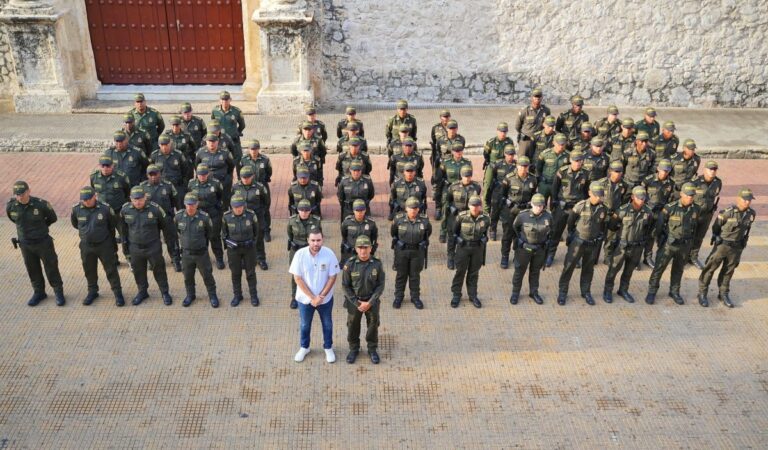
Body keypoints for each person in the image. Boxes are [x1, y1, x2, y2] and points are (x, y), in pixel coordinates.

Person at [7, 180, 65, 306]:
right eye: (17, 194)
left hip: (42, 242)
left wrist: (41, 228)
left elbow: (52, 218)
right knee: (32, 269)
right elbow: (13, 219)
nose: (20, 196)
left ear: (28, 191)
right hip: (26, 244)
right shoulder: (11, 206)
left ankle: (58, 291)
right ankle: (39, 292)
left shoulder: (41, 205)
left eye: (22, 193)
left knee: (51, 267)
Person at [698, 188, 756, 308]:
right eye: (745, 199)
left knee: (728, 271)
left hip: (736, 248)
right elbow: (716, 228)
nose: (747, 202)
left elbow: (746, 230)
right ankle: (702, 293)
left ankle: (723, 293)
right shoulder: (727, 212)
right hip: (722, 246)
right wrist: (717, 238)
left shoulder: (751, 214)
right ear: (738, 199)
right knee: (710, 269)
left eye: (749, 200)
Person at [289, 229, 340, 363]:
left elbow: (332, 277)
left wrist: (321, 296)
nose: (316, 243)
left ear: (322, 240)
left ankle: (328, 347)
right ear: (308, 240)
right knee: (305, 325)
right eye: (313, 240)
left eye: (318, 240)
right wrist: (313, 298)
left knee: (327, 324)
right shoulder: (299, 255)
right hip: (305, 300)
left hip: (325, 300)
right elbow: (298, 278)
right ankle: (304, 347)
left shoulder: (329, 254)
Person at [645, 183, 701, 305]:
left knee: (678, 269)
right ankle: (652, 291)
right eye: (688, 195)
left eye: (692, 195)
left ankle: (674, 291)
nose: (690, 198)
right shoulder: (670, 208)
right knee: (659, 268)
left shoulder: (696, 209)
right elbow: (659, 226)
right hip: (669, 244)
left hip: (684, 245)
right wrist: (660, 241)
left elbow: (695, 228)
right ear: (681, 194)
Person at [556, 182, 609, 306]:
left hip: (593, 244)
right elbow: (571, 221)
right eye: (596, 195)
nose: (598, 197)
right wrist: (571, 234)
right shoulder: (580, 206)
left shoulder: (603, 209)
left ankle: (586, 292)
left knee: (588, 269)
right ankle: (562, 292)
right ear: (590, 193)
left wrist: (600, 235)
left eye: (600, 195)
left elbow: (603, 225)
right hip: (578, 242)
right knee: (569, 267)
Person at [71, 186, 124, 306]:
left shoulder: (105, 208)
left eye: (89, 198)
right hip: (86, 246)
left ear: (95, 196)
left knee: (111, 270)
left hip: (104, 245)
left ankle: (117, 293)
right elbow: (75, 224)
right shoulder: (76, 209)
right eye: (84, 199)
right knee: (89, 270)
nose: (86, 201)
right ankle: (92, 291)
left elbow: (112, 225)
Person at [120, 186, 173, 306]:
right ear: (130, 199)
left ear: (145, 197)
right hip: (135, 247)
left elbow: (166, 227)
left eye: (140, 199)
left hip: (152, 246)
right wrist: (125, 248)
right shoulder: (125, 210)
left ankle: (165, 292)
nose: (138, 202)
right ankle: (142, 292)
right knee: (138, 271)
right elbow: (123, 230)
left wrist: (170, 245)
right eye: (135, 199)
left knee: (159, 270)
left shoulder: (155, 209)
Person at [603, 186, 654, 303]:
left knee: (628, 271)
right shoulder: (622, 211)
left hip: (637, 247)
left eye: (643, 198)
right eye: (639, 198)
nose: (641, 200)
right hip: (622, 246)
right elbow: (612, 226)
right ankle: (607, 290)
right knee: (613, 269)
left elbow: (649, 229)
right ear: (632, 197)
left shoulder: (648, 212)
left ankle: (623, 290)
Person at [342, 235, 385, 364]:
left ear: (371, 248)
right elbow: (345, 286)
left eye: (366, 248)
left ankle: (372, 349)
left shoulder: (377, 264)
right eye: (360, 248)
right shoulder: (349, 265)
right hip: (355, 303)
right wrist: (356, 302)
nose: (363, 251)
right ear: (356, 249)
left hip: (372, 302)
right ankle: (354, 349)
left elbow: (380, 285)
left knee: (373, 325)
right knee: (352, 326)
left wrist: (370, 302)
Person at [174, 193, 219, 308]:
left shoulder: (204, 217)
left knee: (207, 276)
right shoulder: (179, 217)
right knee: (188, 277)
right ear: (184, 204)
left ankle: (212, 296)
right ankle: (190, 295)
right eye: (188, 204)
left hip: (201, 254)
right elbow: (177, 232)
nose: (190, 207)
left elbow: (210, 233)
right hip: (186, 254)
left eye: (193, 204)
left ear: (197, 204)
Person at [509, 193, 552, 305]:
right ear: (532, 204)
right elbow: (515, 228)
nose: (539, 207)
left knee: (535, 272)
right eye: (536, 205)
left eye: (541, 205)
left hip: (539, 250)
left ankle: (534, 292)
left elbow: (551, 231)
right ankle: (515, 293)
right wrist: (521, 241)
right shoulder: (522, 216)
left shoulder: (548, 216)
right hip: (524, 250)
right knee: (519, 271)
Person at [391, 197, 432, 309]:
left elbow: (428, 233)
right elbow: (393, 232)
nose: (413, 211)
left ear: (418, 209)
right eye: (410, 208)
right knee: (401, 275)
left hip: (417, 252)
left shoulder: (424, 220)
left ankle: (415, 297)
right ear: (406, 208)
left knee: (415, 276)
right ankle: (398, 297)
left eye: (415, 208)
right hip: (402, 251)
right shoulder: (399, 219)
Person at [450, 196, 491, 308]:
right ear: (469, 206)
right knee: (460, 272)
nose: (474, 208)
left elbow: (486, 233)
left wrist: (485, 238)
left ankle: (473, 295)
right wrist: (452, 252)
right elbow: (454, 233)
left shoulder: (486, 218)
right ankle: (456, 294)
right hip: (463, 248)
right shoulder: (461, 217)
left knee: (474, 273)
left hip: (477, 249)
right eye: (472, 205)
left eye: (477, 205)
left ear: (480, 206)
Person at [222, 193, 261, 307]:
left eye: (240, 206)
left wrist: (252, 243)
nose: (238, 209)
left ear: (244, 206)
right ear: (231, 206)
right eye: (235, 207)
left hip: (248, 249)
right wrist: (231, 244)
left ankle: (253, 295)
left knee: (251, 273)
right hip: (234, 250)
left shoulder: (251, 215)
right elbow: (224, 235)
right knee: (235, 273)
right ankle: (237, 295)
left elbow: (256, 231)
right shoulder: (226, 217)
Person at [287, 200, 323, 308]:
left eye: (307, 210)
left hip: (310, 251)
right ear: (297, 210)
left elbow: (318, 235)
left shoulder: (316, 221)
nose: (304, 212)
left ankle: (312, 295)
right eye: (301, 210)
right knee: (296, 274)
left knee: (311, 272)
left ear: (310, 210)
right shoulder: (292, 220)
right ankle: (294, 297)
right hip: (296, 251)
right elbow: (290, 234)